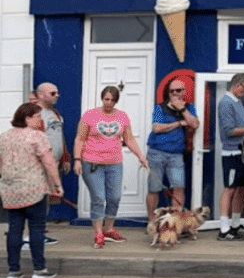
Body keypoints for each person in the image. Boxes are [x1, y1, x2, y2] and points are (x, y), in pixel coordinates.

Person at [73, 86, 149, 249]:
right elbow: (80, 138)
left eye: (112, 100)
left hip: (114, 163)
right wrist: (77, 160)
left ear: (116, 101)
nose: (109, 103)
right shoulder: (90, 115)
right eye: (106, 99)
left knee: (114, 197)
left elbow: (129, 139)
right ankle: (98, 233)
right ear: (102, 98)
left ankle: (109, 229)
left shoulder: (122, 117)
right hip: (92, 163)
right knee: (99, 198)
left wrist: (141, 157)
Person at [1, 103, 63, 278]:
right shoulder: (38, 137)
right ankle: (39, 269)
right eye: (37, 116)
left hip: (10, 190)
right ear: (27, 119)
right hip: (33, 189)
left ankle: (13, 270)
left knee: (14, 229)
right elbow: (49, 163)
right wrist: (56, 184)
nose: (40, 120)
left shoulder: (4, 137)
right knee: (36, 228)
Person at [146, 77, 199, 223]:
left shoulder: (189, 107)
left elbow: (194, 124)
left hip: (176, 154)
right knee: (154, 188)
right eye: (172, 91)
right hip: (157, 152)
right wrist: (178, 123)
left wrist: (182, 109)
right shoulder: (160, 107)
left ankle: (175, 222)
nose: (175, 93)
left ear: (184, 92)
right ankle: (151, 221)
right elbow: (156, 127)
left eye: (179, 90)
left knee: (178, 186)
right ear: (168, 93)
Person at [217, 73, 244, 242]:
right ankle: (224, 229)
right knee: (230, 188)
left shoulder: (237, 102)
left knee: (242, 188)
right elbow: (229, 131)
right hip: (232, 152)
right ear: (237, 85)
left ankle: (236, 224)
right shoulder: (226, 103)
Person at [35, 82, 69, 244]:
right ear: (41, 95)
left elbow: (59, 137)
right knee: (37, 198)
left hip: (54, 163)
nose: (57, 96)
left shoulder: (55, 113)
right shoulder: (35, 114)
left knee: (47, 198)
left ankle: (39, 233)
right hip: (40, 164)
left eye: (57, 93)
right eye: (52, 93)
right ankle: (34, 234)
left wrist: (65, 158)